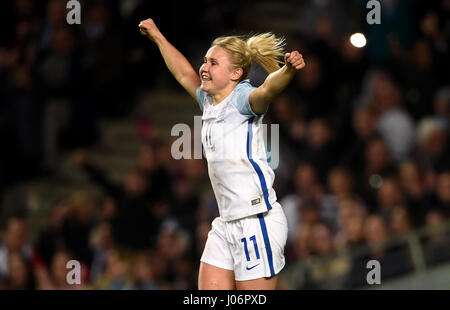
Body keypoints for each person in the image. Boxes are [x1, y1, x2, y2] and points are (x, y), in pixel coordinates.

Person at [138, 18, 306, 290]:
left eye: (213, 63)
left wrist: (288, 70)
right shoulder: (208, 101)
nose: (204, 68)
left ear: (236, 74)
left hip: (256, 221)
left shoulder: (243, 99)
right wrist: (158, 36)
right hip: (226, 223)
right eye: (205, 60)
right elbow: (183, 73)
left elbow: (268, 89)